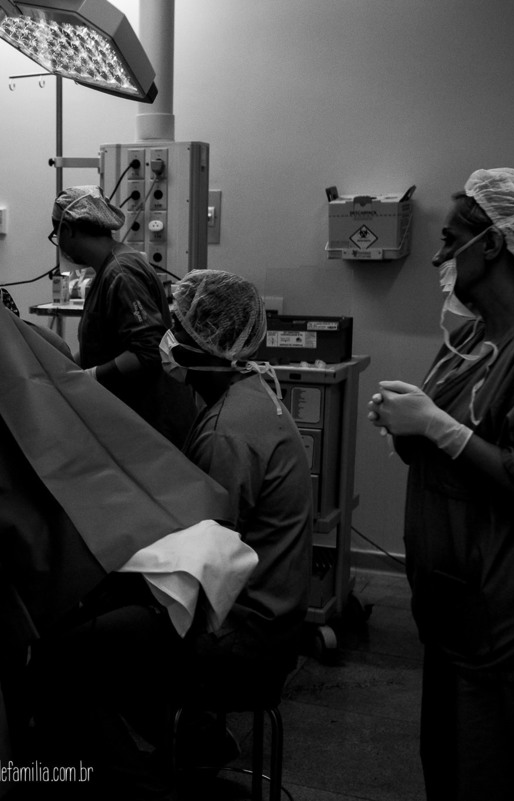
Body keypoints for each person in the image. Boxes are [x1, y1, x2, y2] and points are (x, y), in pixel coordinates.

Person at [367, 168, 514, 801]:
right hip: (459, 608)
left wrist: (437, 427)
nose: (439, 257)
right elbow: (455, 453)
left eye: (450, 240)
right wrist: (409, 426)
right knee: (450, 771)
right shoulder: (472, 337)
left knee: (497, 780)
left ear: (492, 244)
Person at [160, 270, 313, 774]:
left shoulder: (227, 433)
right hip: (273, 621)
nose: (167, 338)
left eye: (176, 326)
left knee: (80, 652)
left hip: (244, 640)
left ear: (205, 342)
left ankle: (148, 778)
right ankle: (198, 737)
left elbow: (202, 559)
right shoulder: (252, 393)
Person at [50, 185, 195, 446]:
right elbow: (103, 344)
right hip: (135, 420)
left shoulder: (121, 273)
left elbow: (147, 351)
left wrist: (89, 377)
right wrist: (66, 369)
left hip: (151, 425)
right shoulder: (109, 269)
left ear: (68, 230)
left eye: (56, 234)